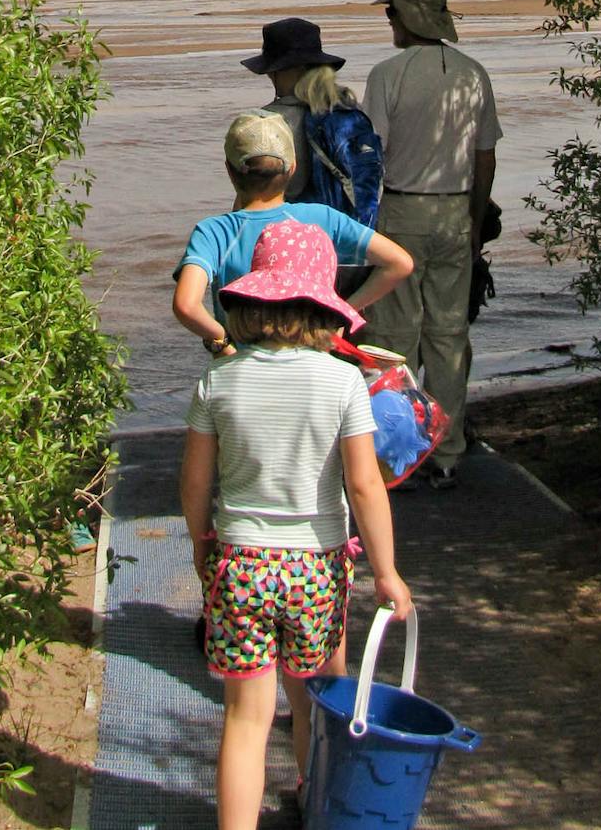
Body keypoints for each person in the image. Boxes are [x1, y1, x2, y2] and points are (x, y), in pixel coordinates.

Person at [181, 218, 413, 829]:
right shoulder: (343, 382)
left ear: (253, 301)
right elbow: (363, 485)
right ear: (325, 305)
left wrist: (201, 545)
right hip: (316, 566)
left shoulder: (218, 381)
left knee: (244, 719)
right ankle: (317, 802)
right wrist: (387, 572)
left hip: (239, 565)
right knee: (317, 699)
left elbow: (195, 485)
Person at [360, 0, 501, 490]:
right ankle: (447, 451)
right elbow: (485, 157)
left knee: (392, 337)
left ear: (407, 18)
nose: (388, 21)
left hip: (401, 213)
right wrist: (474, 219)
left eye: (391, 13)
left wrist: (362, 224)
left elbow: (371, 156)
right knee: (448, 336)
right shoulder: (473, 73)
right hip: (455, 213)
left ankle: (396, 455)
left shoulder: (387, 74)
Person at [172, 112, 411, 350]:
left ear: (229, 170)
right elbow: (400, 263)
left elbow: (186, 305)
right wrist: (344, 312)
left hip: (240, 366)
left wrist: (222, 342)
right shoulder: (322, 218)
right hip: (310, 365)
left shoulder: (214, 232)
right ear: (293, 168)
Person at [241, 17, 382, 223]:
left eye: (274, 71)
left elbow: (256, 196)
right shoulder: (349, 111)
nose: (270, 77)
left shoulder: (270, 120)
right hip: (351, 234)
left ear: (293, 69)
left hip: (296, 239)